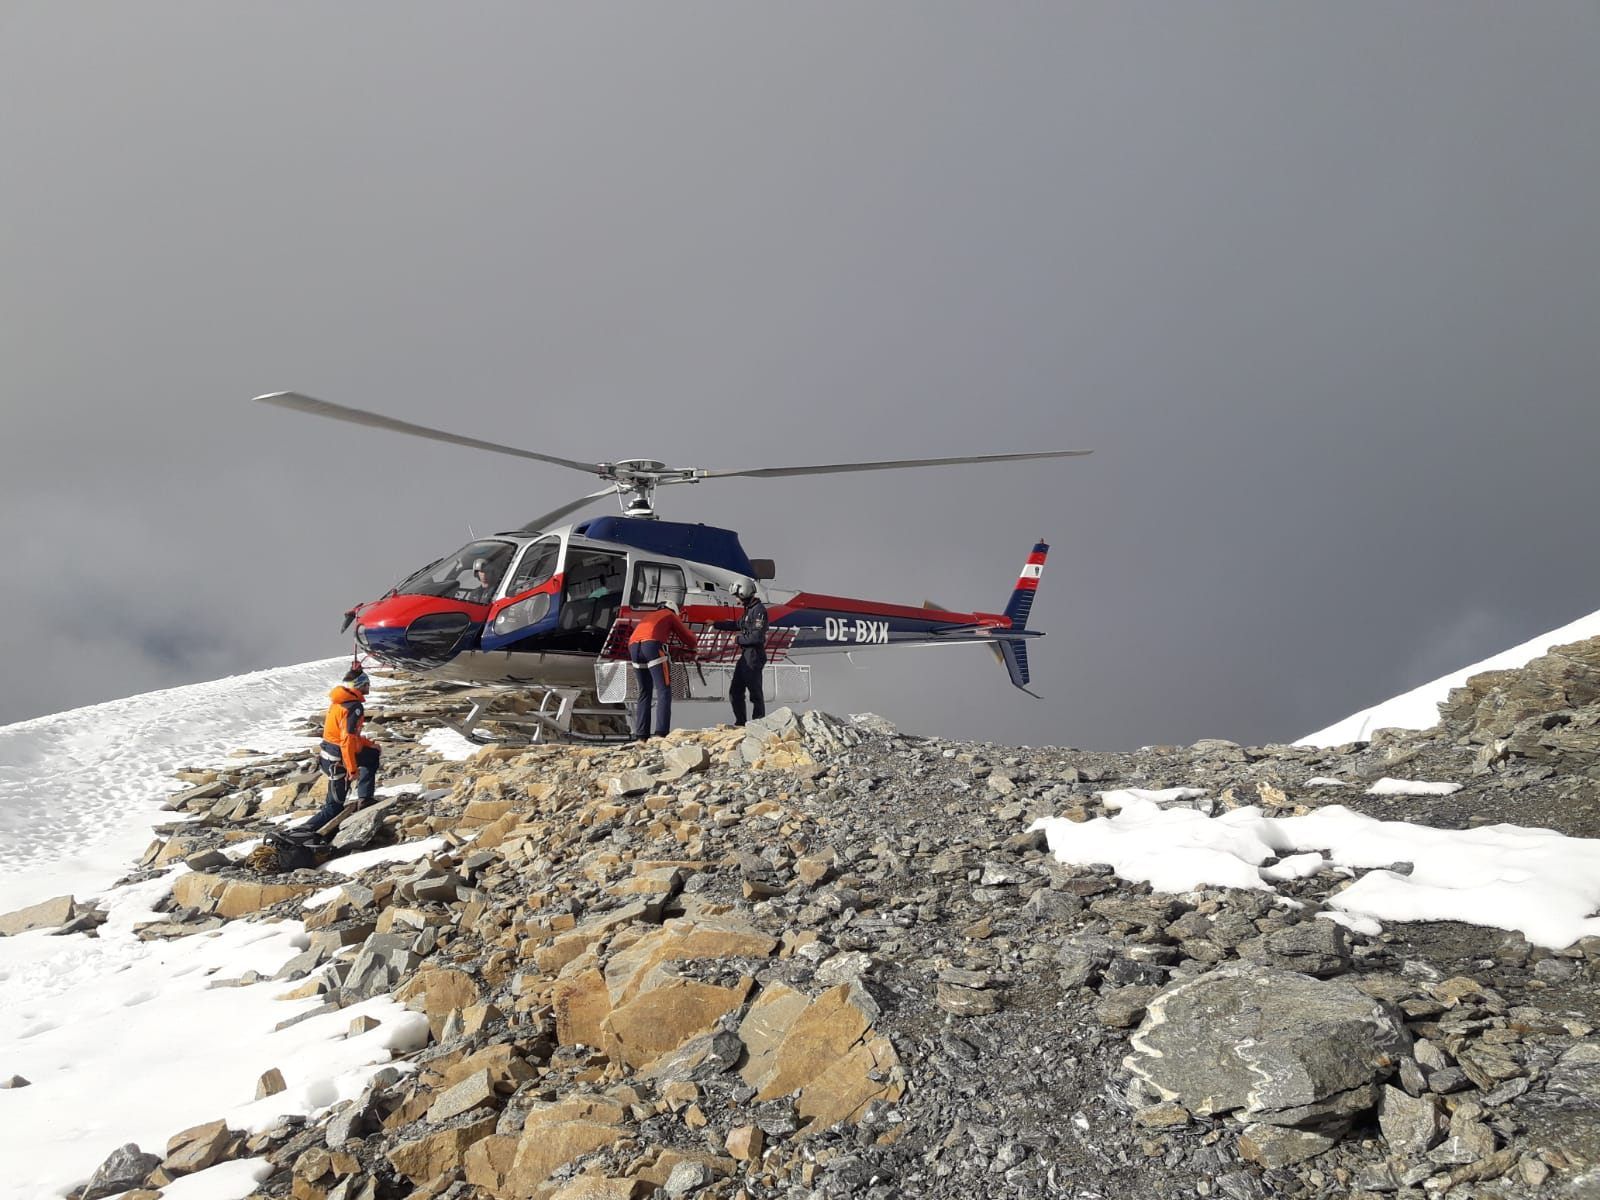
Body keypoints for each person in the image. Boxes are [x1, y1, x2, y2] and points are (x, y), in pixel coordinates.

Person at [298, 664, 380, 836]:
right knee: (334, 807)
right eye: (367, 683)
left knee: (371, 754)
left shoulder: (341, 702)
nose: (369, 687)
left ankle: (365, 799)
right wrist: (352, 769)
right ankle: (302, 832)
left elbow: (350, 736)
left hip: (331, 753)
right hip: (337, 760)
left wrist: (368, 744)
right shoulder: (353, 708)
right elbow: (347, 740)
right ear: (359, 686)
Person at [628, 599, 698, 740]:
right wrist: (694, 645)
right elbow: (689, 638)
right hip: (652, 646)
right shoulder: (669, 615)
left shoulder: (648, 616)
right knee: (664, 690)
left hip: (633, 647)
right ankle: (661, 733)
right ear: (673, 610)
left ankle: (641, 736)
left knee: (644, 691)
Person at [728, 580, 768, 726]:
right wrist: (715, 623)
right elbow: (737, 624)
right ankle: (740, 722)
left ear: (743, 593)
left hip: (754, 656)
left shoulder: (758, 610)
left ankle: (758, 722)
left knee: (755, 692)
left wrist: (738, 639)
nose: (736, 600)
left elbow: (757, 637)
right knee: (735, 691)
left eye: (737, 596)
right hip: (746, 656)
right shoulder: (749, 610)